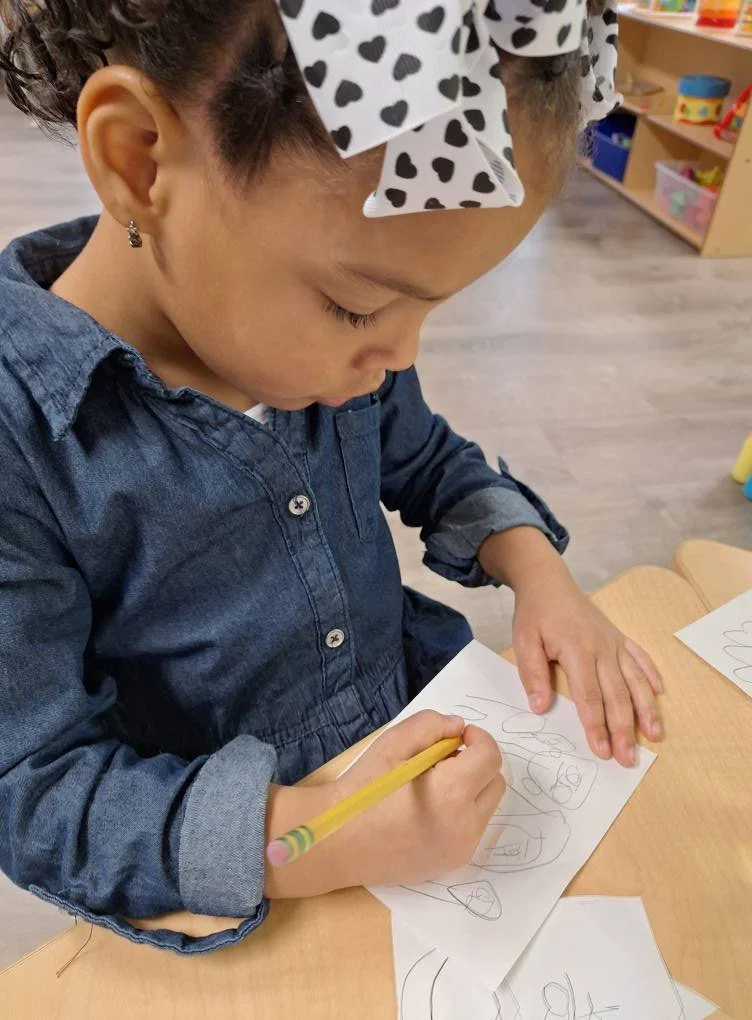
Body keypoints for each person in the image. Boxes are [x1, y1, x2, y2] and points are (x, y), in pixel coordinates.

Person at [0, 0, 663, 953]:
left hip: (413, 761)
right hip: (248, 894)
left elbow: (429, 459)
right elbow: (40, 795)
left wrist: (541, 576)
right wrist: (320, 836)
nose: (397, 355)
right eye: (358, 307)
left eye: (431, 309)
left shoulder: (328, 344)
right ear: (141, 157)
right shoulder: (25, 445)